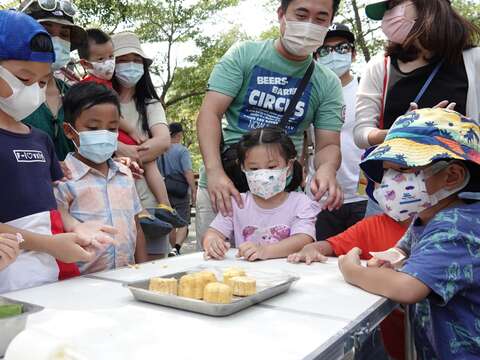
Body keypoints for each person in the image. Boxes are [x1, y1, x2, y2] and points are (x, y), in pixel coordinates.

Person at [196, 0, 345, 248]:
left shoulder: (327, 82)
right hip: (225, 188)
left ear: (329, 23)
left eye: (320, 18)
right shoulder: (244, 55)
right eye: (301, 14)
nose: (309, 24)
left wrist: (327, 169)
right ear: (281, 14)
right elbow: (209, 113)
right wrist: (214, 172)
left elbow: (328, 144)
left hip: (282, 198)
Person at [339, 108, 480, 359]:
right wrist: (391, 257)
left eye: (402, 170)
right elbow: (404, 248)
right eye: (388, 171)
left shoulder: (456, 226)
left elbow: (408, 288)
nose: (390, 181)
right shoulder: (428, 214)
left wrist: (353, 271)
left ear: (452, 176)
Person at [0, 10, 113, 294]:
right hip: (8, 278)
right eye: (24, 79)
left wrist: (75, 226)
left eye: (41, 82)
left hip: (48, 275)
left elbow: (51, 203)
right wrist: (49, 244)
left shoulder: (39, 140)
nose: (34, 90)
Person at [356, 0, 480, 216]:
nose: (388, 15)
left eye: (394, 4)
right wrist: (404, 131)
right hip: (391, 197)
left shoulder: (474, 60)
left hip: (458, 201)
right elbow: (361, 133)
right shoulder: (380, 66)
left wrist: (453, 130)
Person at [57, 82, 148, 274]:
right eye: (93, 127)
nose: (104, 135)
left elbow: (136, 228)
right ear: (69, 130)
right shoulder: (63, 180)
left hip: (126, 276)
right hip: (80, 283)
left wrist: (143, 270)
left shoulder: (125, 174)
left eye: (112, 128)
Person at [112, 31, 183, 256]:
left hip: (148, 200)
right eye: (122, 60)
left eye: (136, 60)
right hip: (111, 201)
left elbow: (162, 142)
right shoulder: (99, 99)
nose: (130, 65)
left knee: (154, 267)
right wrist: (125, 151)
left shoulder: (150, 104)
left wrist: (117, 156)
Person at [203, 128, 320, 261]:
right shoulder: (236, 203)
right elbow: (213, 233)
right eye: (254, 169)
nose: (263, 175)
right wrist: (212, 242)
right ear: (242, 167)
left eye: (271, 167)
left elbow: (304, 239)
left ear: (289, 165)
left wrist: (265, 251)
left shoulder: (301, 203)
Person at [307, 23, 367, 240]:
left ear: (353, 53)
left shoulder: (367, 92)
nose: (333, 55)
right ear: (315, 57)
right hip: (319, 197)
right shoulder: (309, 94)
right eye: (325, 50)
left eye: (341, 48)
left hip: (362, 196)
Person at [19, 0, 88, 161]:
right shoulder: (8, 92)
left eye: (64, 34)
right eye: (46, 31)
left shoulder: (74, 95)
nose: (55, 40)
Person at [159, 123, 197, 257]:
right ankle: (176, 247)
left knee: (169, 220)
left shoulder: (161, 150)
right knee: (183, 220)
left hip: (164, 189)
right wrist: (193, 189)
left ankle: (171, 248)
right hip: (180, 191)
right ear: (179, 135)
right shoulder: (182, 150)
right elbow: (187, 171)